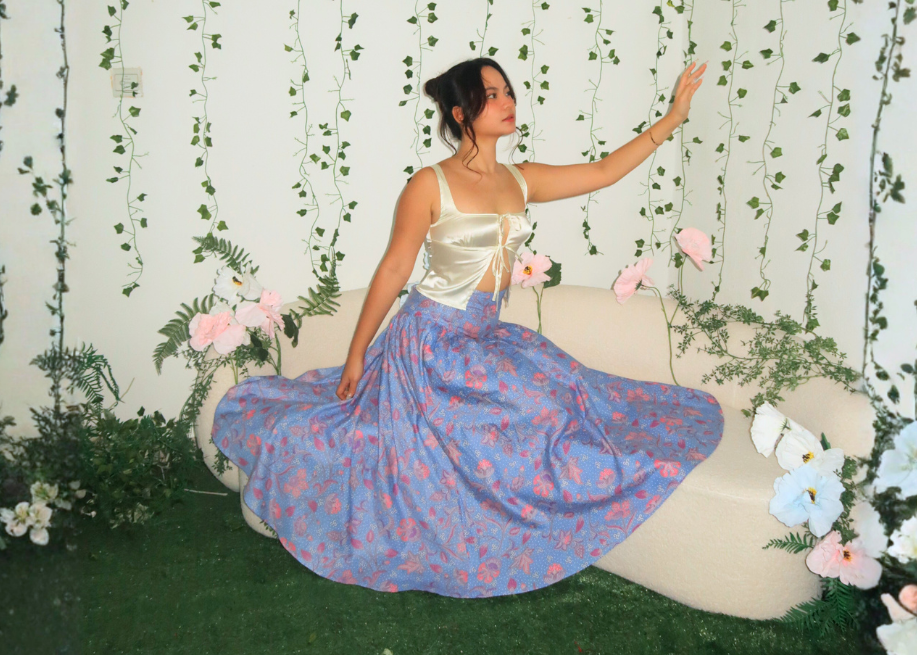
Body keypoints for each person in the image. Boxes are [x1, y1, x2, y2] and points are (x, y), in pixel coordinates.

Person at [212, 57, 719, 598]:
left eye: (507, 92)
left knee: (565, 394)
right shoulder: (429, 184)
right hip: (429, 340)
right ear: (461, 113)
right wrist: (358, 354)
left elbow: (603, 172)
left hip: (485, 335)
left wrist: (674, 116)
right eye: (492, 95)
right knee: (529, 411)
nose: (507, 103)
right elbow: (393, 270)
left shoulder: (522, 180)